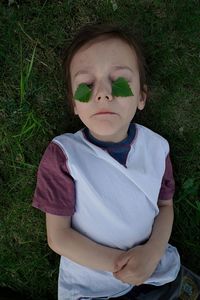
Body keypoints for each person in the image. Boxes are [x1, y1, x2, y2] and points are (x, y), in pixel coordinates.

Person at [32, 23, 182, 300]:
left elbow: (165, 206)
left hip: (154, 270)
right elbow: (59, 237)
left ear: (141, 97)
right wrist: (121, 265)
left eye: (120, 82)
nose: (103, 93)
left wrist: (150, 254)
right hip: (93, 287)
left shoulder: (157, 148)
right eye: (87, 85)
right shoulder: (64, 155)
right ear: (75, 105)